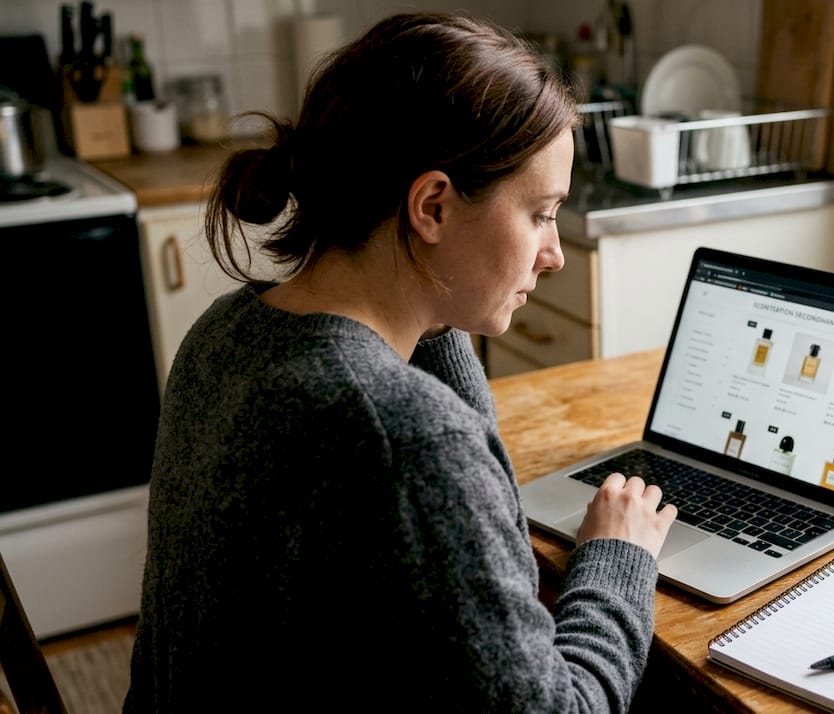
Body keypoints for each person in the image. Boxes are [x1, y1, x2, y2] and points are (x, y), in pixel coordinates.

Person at [123, 12, 676, 713]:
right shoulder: (405, 438)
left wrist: (436, 301)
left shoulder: (226, 331)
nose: (555, 252)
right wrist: (618, 558)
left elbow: (483, 505)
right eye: (540, 213)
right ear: (433, 206)